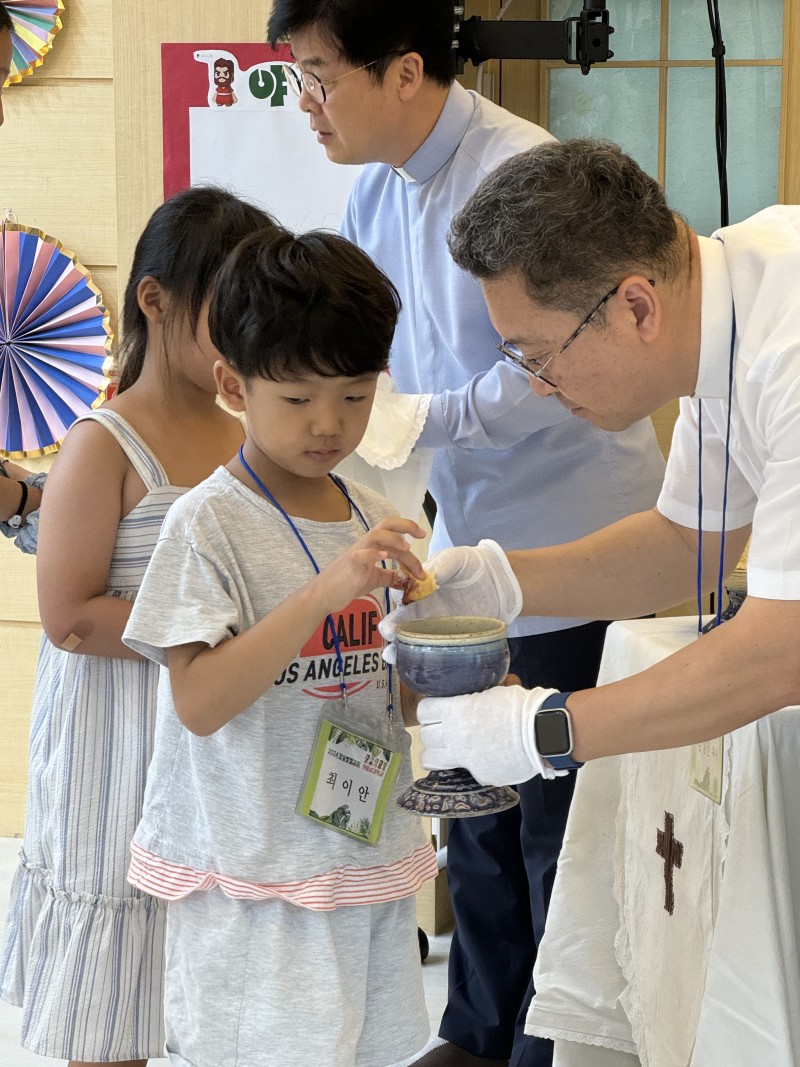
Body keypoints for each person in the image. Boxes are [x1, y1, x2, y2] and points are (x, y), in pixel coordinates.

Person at [266, 4, 666, 1065]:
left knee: (555, 816)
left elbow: (554, 363)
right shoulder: (370, 188)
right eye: (295, 79)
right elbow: (375, 369)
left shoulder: (518, 167)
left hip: (582, 536)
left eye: (317, 77)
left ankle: (558, 1036)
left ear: (403, 71)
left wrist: (428, 418)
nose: (303, 104)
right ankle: (477, 1027)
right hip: (462, 537)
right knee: (470, 799)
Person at [382, 136, 798, 800]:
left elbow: (785, 648)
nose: (539, 386)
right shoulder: (720, 310)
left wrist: (547, 729)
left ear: (637, 308)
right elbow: (688, 544)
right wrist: (502, 582)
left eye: (538, 354)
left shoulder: (788, 345)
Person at [120, 226, 438, 1067]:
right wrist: (326, 592)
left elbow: (384, 691)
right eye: (297, 400)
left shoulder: (370, 513)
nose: (329, 424)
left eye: (356, 395)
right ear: (234, 383)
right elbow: (199, 702)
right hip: (253, 872)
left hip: (361, 855)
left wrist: (445, 658)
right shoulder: (209, 524)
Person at [0, 185, 282, 1067]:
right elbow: (71, 615)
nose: (243, 330)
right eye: (224, 308)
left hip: (217, 728)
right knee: (114, 972)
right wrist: (209, 637)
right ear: (155, 301)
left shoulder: (251, 425)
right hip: (118, 734)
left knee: (207, 952)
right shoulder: (105, 439)